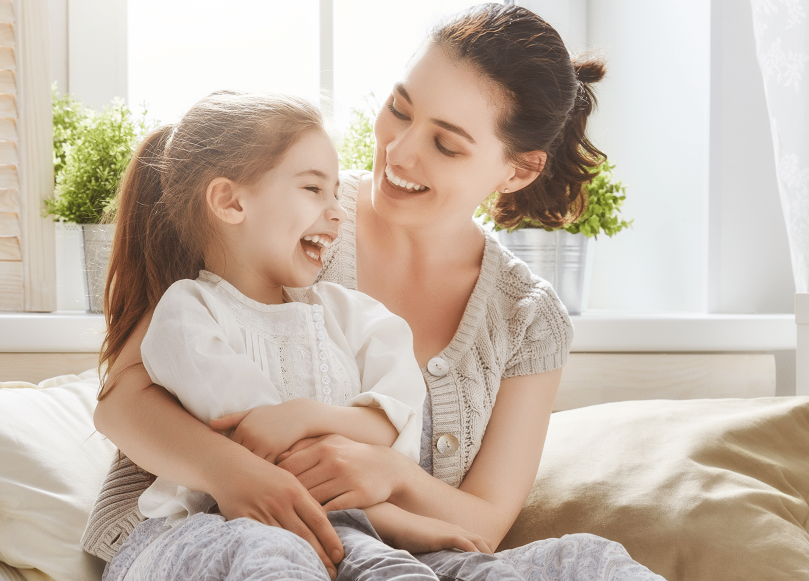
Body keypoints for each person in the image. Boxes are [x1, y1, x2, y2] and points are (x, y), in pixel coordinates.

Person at [87, 4, 665, 581]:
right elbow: (121, 401)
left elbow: (483, 523)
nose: (400, 151)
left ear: (518, 170)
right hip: (204, 537)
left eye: (446, 144)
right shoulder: (291, 221)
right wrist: (234, 474)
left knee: (592, 564)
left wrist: (390, 473)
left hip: (388, 556)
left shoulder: (527, 318)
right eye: (399, 109)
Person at [93, 90, 511, 581]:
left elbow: (394, 417)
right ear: (229, 201)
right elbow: (261, 447)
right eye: (315, 190)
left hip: (348, 529)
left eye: (335, 192)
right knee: (279, 560)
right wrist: (390, 520)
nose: (338, 212)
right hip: (221, 525)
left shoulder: (347, 313)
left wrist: (310, 415)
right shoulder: (190, 312)